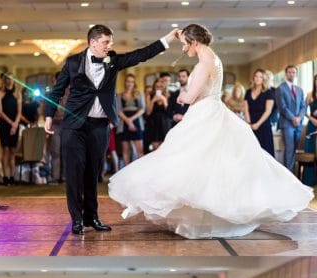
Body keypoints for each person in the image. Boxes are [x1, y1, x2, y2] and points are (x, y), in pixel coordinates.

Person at [109, 27, 312, 237]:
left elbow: (191, 96)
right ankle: (204, 217)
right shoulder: (212, 58)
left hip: (205, 112)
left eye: (185, 44)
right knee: (207, 164)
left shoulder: (205, 61)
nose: (184, 48)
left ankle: (204, 217)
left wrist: (181, 97)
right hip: (211, 109)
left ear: (194, 42)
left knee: (195, 162)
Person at [44, 24, 179, 234]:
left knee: (93, 174)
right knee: (74, 173)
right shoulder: (72, 63)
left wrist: (168, 39)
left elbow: (141, 55)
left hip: (99, 127)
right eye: (106, 42)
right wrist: (48, 116)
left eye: (111, 41)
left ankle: (92, 217)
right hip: (74, 126)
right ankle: (77, 219)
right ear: (93, 42)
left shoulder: (113, 60)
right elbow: (56, 91)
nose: (110, 45)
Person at [275, 65, 306, 174]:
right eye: (289, 72)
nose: (291, 74)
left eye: (293, 72)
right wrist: (293, 118)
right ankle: (289, 177)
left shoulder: (299, 90)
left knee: (293, 151)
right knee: (289, 149)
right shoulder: (280, 88)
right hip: (287, 124)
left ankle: (292, 175)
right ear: (285, 73)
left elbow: (303, 106)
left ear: (296, 74)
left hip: (298, 124)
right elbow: (282, 107)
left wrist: (299, 118)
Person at [0, 75, 22, 185]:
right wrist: (11, 123)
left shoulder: (18, 94)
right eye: (7, 78)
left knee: (13, 152)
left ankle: (12, 177)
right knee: (5, 151)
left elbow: (19, 112)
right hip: (4, 125)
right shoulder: (0, 94)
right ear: (4, 80)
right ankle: (5, 177)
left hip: (15, 125)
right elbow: (0, 112)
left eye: (11, 78)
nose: (9, 80)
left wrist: (15, 124)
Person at [245, 69, 276, 156]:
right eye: (256, 76)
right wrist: (249, 123)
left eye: (260, 77)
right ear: (253, 78)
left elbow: (268, 111)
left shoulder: (268, 92)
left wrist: (257, 124)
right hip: (250, 125)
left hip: (263, 125)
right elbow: (246, 109)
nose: (258, 78)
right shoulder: (248, 92)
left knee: (265, 152)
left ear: (263, 79)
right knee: (251, 153)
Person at [116, 73, 145, 165]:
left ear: (134, 83)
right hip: (123, 123)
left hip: (136, 121)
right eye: (128, 81)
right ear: (125, 83)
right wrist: (127, 120)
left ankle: (140, 171)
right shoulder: (119, 96)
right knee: (125, 151)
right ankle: (126, 174)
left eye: (132, 82)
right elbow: (118, 110)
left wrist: (131, 119)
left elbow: (142, 109)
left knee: (140, 150)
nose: (129, 83)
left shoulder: (139, 94)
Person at [304, 74, 317, 187]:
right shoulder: (309, 95)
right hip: (312, 125)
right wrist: (312, 119)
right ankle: (309, 180)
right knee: (310, 150)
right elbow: (302, 110)